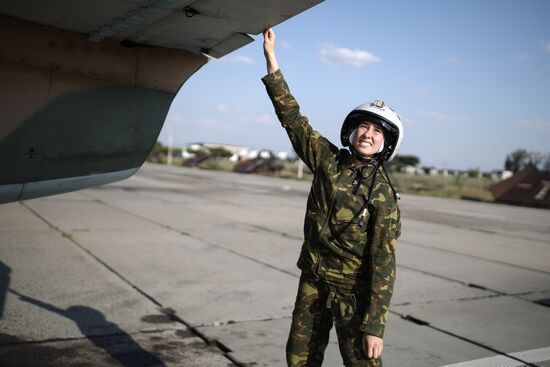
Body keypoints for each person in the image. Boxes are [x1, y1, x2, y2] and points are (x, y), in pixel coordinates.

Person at [261, 28, 402, 367]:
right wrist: (271, 60)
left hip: (352, 294)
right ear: (353, 131)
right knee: (298, 360)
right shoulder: (328, 160)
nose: (368, 134)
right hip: (313, 282)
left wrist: (374, 327)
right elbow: (293, 121)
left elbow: (384, 265)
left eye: (377, 131)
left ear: (386, 143)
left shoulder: (383, 196)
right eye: (364, 126)